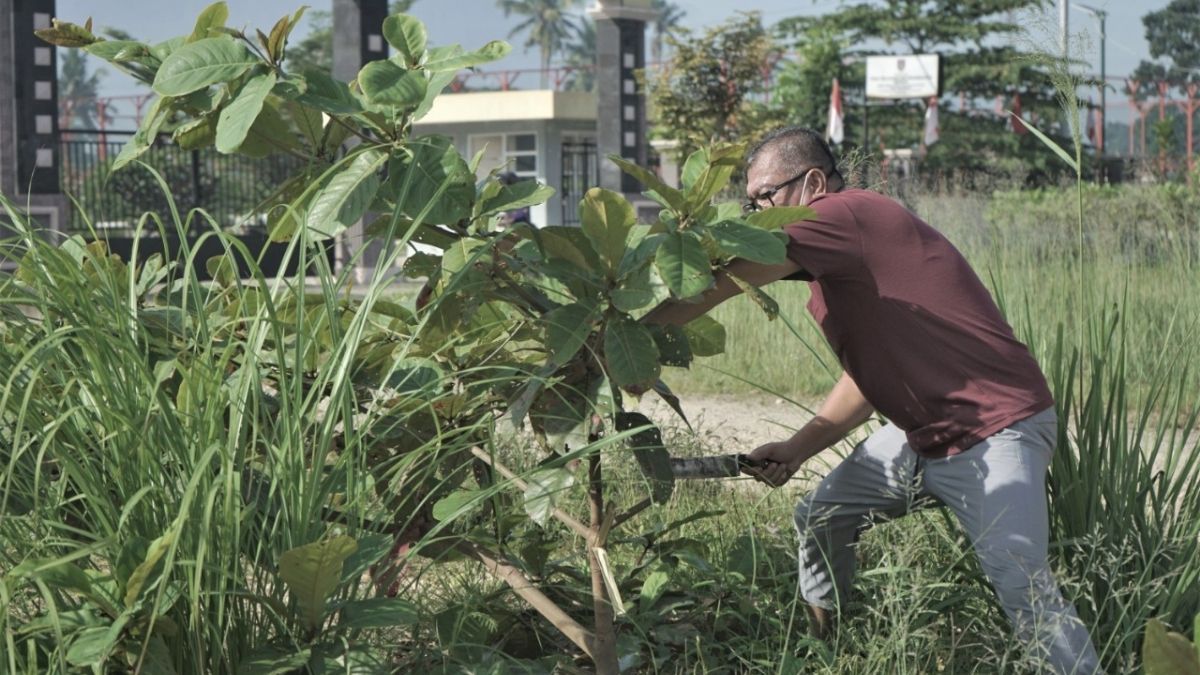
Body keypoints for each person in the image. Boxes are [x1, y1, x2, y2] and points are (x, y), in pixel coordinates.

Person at [640, 127, 1101, 674]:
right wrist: (796, 449)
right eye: (749, 201)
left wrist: (625, 341)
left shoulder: (845, 213)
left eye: (764, 198)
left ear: (813, 183)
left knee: (1022, 584)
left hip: (995, 431)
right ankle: (823, 653)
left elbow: (722, 280)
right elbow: (868, 380)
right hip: (922, 439)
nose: (754, 213)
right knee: (822, 516)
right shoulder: (835, 267)